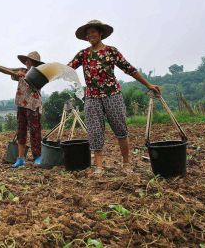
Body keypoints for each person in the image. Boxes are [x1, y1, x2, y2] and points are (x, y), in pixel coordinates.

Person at [68, 19, 161, 174]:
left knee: (120, 129)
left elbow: (129, 69)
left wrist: (148, 84)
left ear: (101, 33)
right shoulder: (83, 54)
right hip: (92, 97)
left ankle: (126, 164)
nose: (91, 35)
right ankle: (99, 166)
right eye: (88, 33)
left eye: (93, 32)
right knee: (95, 131)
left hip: (112, 95)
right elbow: (69, 68)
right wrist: (51, 71)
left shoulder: (111, 51)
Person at [0, 52, 44, 168]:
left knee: (35, 132)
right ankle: (20, 158)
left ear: (35, 63)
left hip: (33, 106)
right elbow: (7, 70)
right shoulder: (21, 70)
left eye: (29, 61)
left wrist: (24, 75)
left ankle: (38, 157)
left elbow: (36, 83)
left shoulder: (40, 74)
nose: (27, 62)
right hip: (21, 104)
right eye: (26, 60)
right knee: (21, 131)